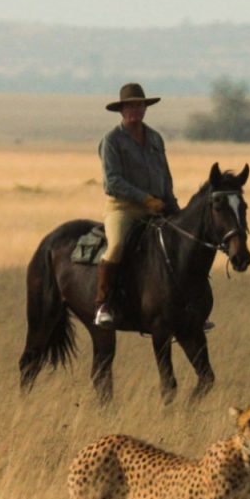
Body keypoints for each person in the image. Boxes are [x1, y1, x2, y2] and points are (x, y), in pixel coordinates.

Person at [95, 83, 180, 327]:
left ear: (145, 108)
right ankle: (103, 303)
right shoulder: (112, 140)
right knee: (118, 245)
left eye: (139, 105)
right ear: (121, 110)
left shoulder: (155, 137)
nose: (135, 110)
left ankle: (188, 307)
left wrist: (172, 205)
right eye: (130, 106)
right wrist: (145, 199)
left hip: (156, 206)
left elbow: (165, 174)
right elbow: (112, 182)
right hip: (122, 208)